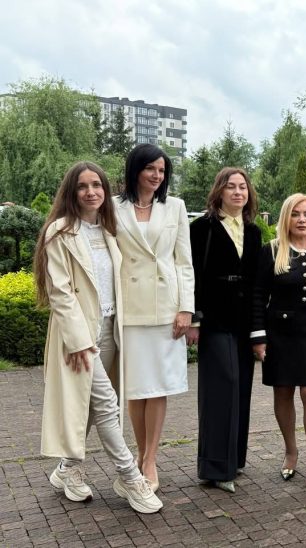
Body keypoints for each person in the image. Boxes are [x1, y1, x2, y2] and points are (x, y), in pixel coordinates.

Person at [34, 161, 162, 513]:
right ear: (71, 192)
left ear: (105, 190)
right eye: (82, 186)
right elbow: (60, 292)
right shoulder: (59, 232)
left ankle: (67, 469)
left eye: (97, 185)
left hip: (109, 329)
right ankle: (130, 477)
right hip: (77, 334)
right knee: (106, 403)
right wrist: (78, 340)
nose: (91, 192)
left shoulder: (108, 230)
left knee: (89, 406)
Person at [114, 143, 194, 491]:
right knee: (137, 387)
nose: (157, 176)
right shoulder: (113, 208)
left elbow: (184, 262)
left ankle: (150, 458)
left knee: (158, 385)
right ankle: (139, 451)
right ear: (136, 170)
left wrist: (186, 308)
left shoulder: (175, 207)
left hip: (166, 308)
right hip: (130, 308)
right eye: (151, 169)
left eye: (162, 171)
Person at [251, 194, 306, 494]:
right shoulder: (272, 250)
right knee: (283, 391)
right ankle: (290, 451)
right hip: (280, 332)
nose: (302, 220)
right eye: (296, 214)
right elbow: (258, 295)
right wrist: (258, 335)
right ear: (286, 218)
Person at [187, 167, 262, 493]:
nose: (237, 192)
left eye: (242, 187)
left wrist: (259, 328)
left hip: (243, 321)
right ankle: (215, 468)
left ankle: (234, 459)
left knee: (241, 388)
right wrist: (194, 318)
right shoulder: (200, 228)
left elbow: (257, 282)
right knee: (221, 388)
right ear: (219, 191)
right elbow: (191, 274)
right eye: (231, 186)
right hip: (214, 319)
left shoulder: (254, 232)